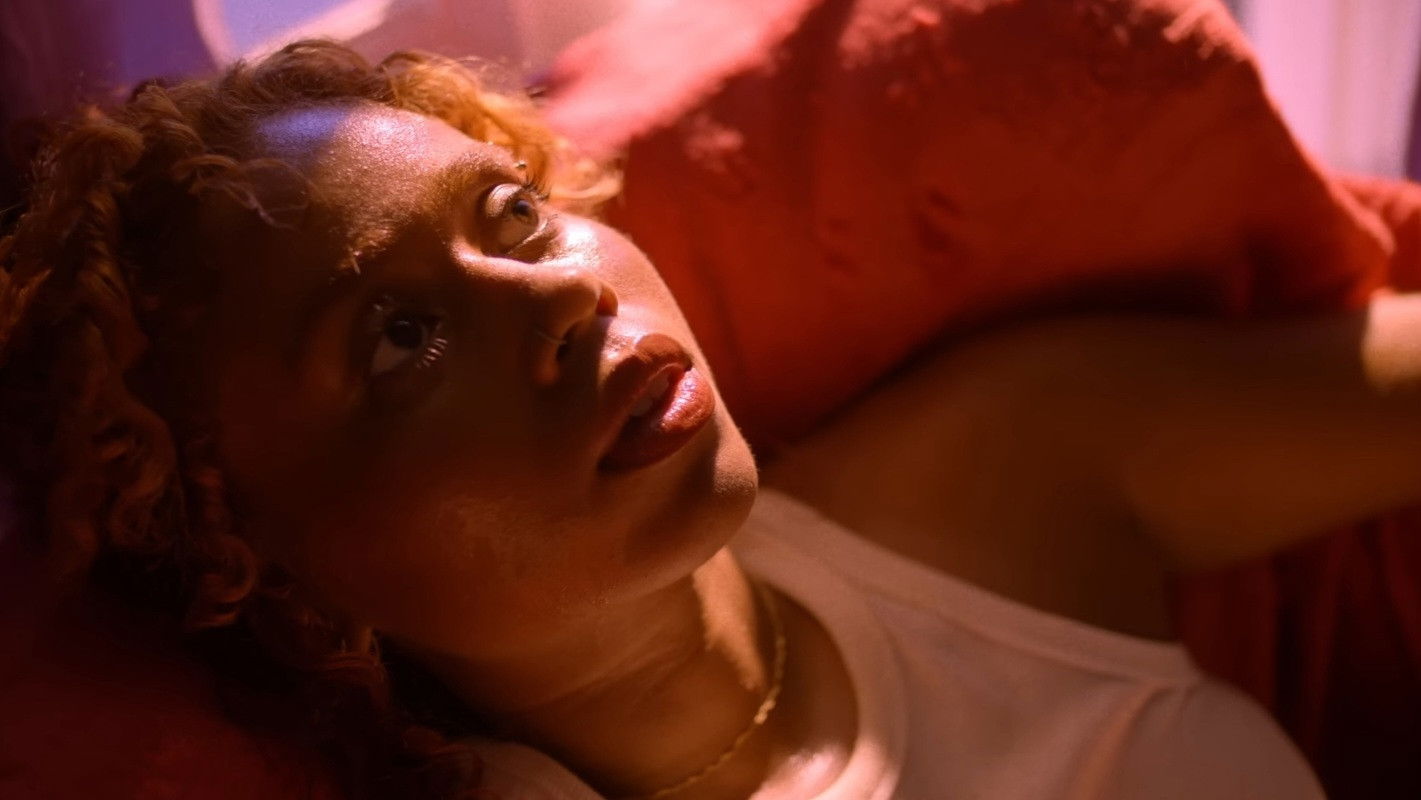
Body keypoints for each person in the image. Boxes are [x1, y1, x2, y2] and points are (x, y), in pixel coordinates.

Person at [6, 39, 1415, 799]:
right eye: (402, 335)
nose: (564, 294)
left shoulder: (997, 473)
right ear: (258, 561)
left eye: (513, 213)